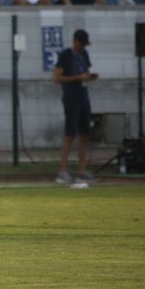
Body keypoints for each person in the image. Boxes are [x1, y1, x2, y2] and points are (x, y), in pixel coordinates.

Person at [54, 29, 98, 184]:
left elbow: (85, 72)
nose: (83, 47)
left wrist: (88, 77)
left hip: (83, 95)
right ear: (76, 41)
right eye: (82, 44)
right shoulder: (66, 55)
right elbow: (57, 78)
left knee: (85, 134)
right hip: (71, 97)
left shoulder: (84, 54)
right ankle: (62, 171)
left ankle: (81, 170)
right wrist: (77, 77)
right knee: (70, 134)